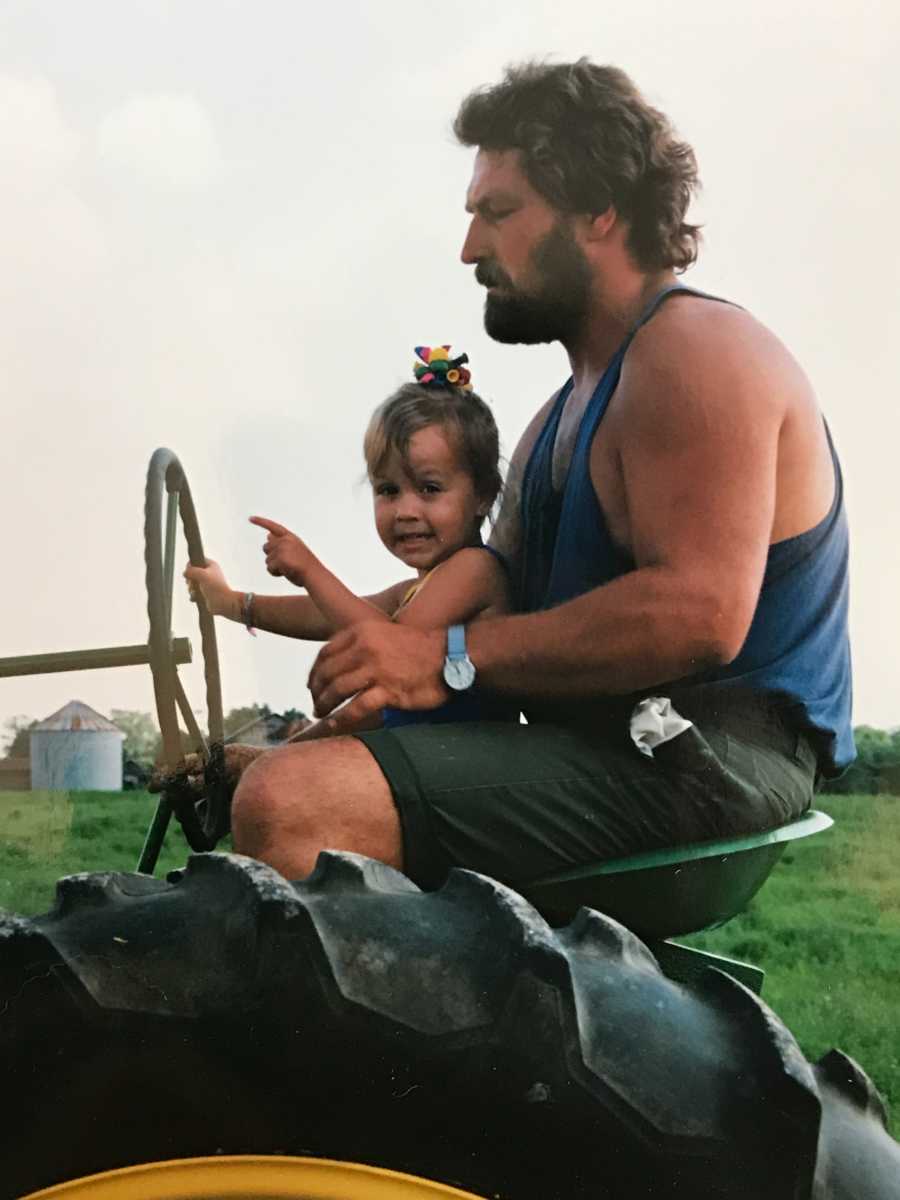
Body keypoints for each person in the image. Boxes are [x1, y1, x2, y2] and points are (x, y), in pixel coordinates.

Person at [174, 59, 854, 891]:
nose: (469, 248)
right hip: (606, 747)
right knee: (272, 772)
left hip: (709, 759)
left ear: (599, 210)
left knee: (291, 804)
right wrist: (279, 650)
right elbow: (452, 605)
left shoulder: (697, 354)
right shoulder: (555, 421)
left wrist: (446, 662)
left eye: (497, 213)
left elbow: (698, 612)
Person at [186, 346, 516, 743]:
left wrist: (310, 571)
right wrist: (234, 603)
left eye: (429, 489)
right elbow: (328, 616)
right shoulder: (414, 591)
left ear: (483, 495)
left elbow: (388, 645)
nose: (405, 511)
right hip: (419, 759)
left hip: (465, 768)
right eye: (389, 490)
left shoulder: (475, 570)